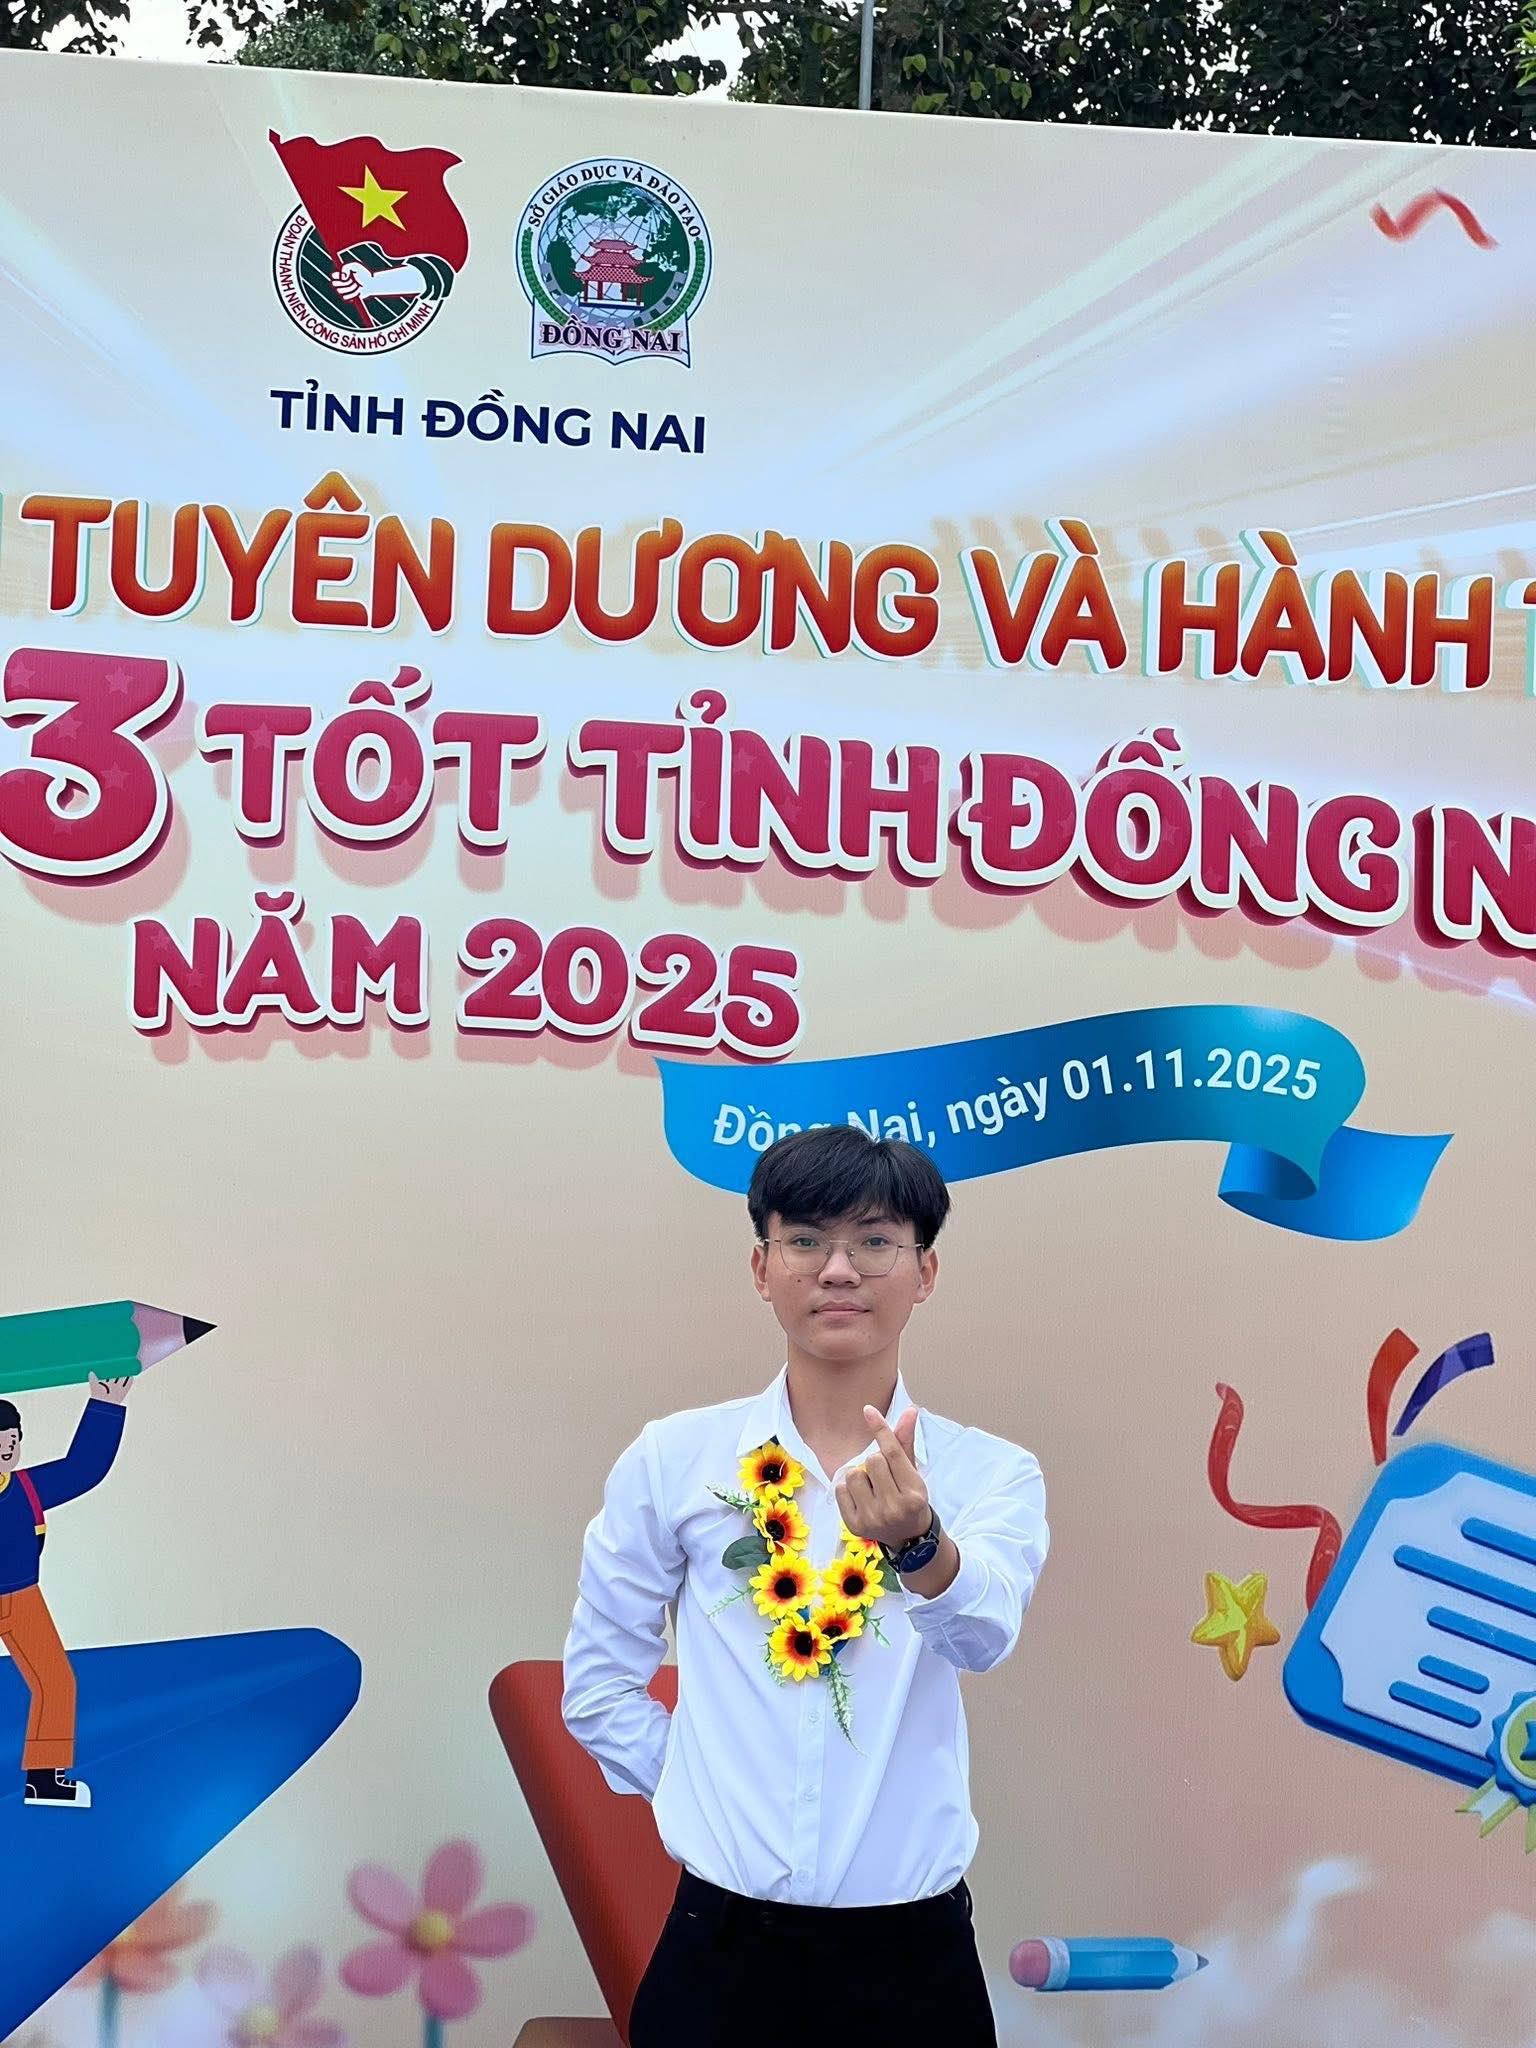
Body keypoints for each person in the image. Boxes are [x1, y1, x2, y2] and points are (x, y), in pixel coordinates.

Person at [562, 1126, 1050, 2048]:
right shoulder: (677, 1458)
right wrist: (704, 1785)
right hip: (720, 1951)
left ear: (925, 1271)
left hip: (913, 1962)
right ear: (762, 1267)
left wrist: (919, 1546)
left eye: (875, 1241)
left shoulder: (989, 1472)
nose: (838, 1270)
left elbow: (984, 1637)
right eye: (806, 1240)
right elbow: (595, 1687)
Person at [0, 1376, 132, 1809]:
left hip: (23, 1597)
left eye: (12, 1442)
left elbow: (83, 1468)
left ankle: (44, 1778)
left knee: (55, 1681)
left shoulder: (27, 1488)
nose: (5, 1451)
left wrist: (105, 1405)